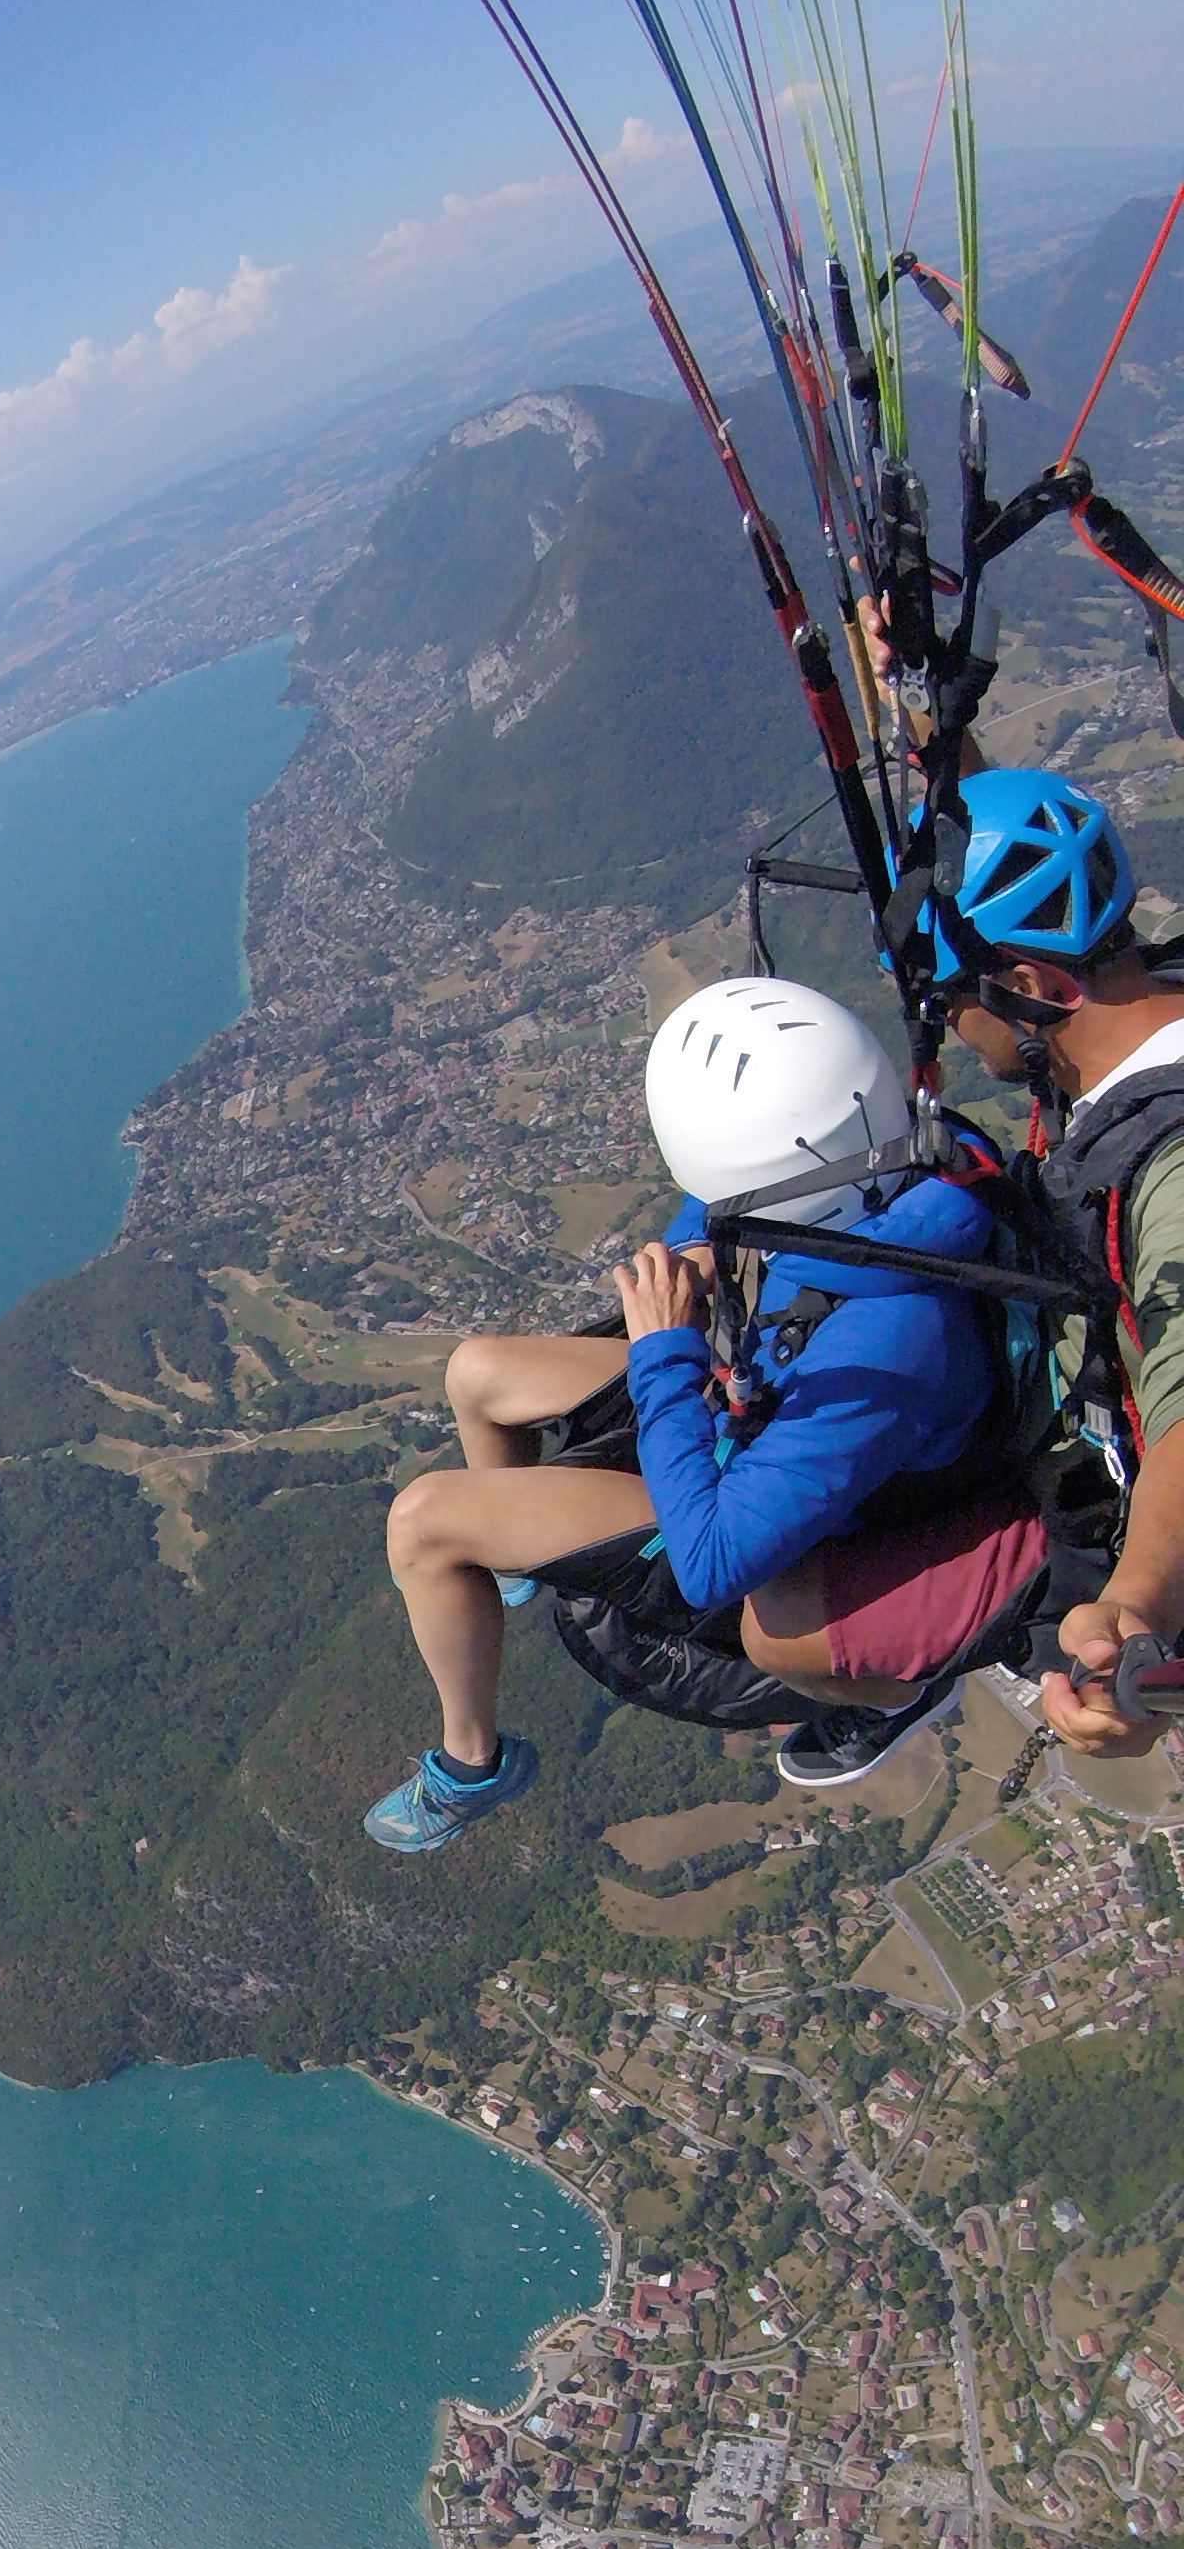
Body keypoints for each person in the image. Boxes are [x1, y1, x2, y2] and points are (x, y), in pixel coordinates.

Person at [365, 975, 1005, 1849]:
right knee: (477, 1374)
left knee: (422, 1525)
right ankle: (509, 1566)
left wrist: (666, 1352)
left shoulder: (890, 1338)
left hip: (766, 1497)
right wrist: (695, 1255)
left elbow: (711, 1563)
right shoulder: (881, 1158)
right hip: (754, 1389)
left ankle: (472, 1762)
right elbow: (717, 1206)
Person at [765, 766, 1184, 1767]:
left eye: (951, 1000)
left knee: (779, 1623)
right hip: (1052, 1365)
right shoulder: (1134, 1004)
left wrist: (1135, 1602)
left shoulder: (1172, 1172)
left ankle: (917, 1681)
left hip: (1098, 1489)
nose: (948, 1024)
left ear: (1031, 990)